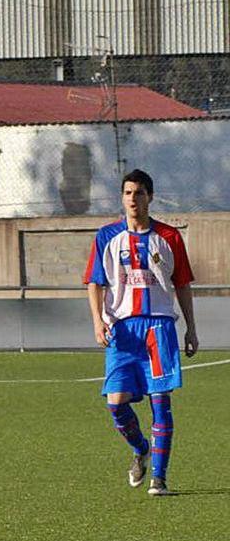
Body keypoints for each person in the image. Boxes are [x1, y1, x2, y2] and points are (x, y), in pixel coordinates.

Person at [84, 169, 198, 496]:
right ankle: (141, 448)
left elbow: (182, 285)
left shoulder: (169, 237)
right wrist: (97, 321)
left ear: (150, 197)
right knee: (116, 403)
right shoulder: (106, 236)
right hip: (123, 330)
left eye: (140, 193)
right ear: (122, 198)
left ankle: (159, 479)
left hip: (159, 327)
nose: (134, 199)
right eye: (128, 193)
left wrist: (191, 328)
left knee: (160, 403)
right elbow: (95, 282)